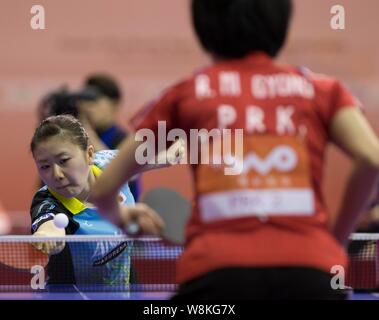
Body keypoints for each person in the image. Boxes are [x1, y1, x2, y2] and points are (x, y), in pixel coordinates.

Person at [91, 0, 379, 299]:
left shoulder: (186, 94)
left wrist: (123, 220)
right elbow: (371, 157)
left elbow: (104, 187)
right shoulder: (322, 90)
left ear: (203, 29)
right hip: (310, 272)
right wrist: (337, 238)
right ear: (282, 24)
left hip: (217, 274)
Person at [30, 115, 167, 287]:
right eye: (45, 166)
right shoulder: (47, 201)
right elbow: (47, 226)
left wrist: (177, 149)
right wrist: (48, 237)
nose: (56, 174)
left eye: (64, 161)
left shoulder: (109, 163)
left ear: (89, 155)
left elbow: (164, 155)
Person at [79, 74, 142, 201]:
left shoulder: (125, 139)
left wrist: (87, 132)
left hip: (120, 213)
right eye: (85, 101)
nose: (88, 107)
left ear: (114, 104)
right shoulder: (75, 139)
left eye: (94, 100)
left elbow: (116, 173)